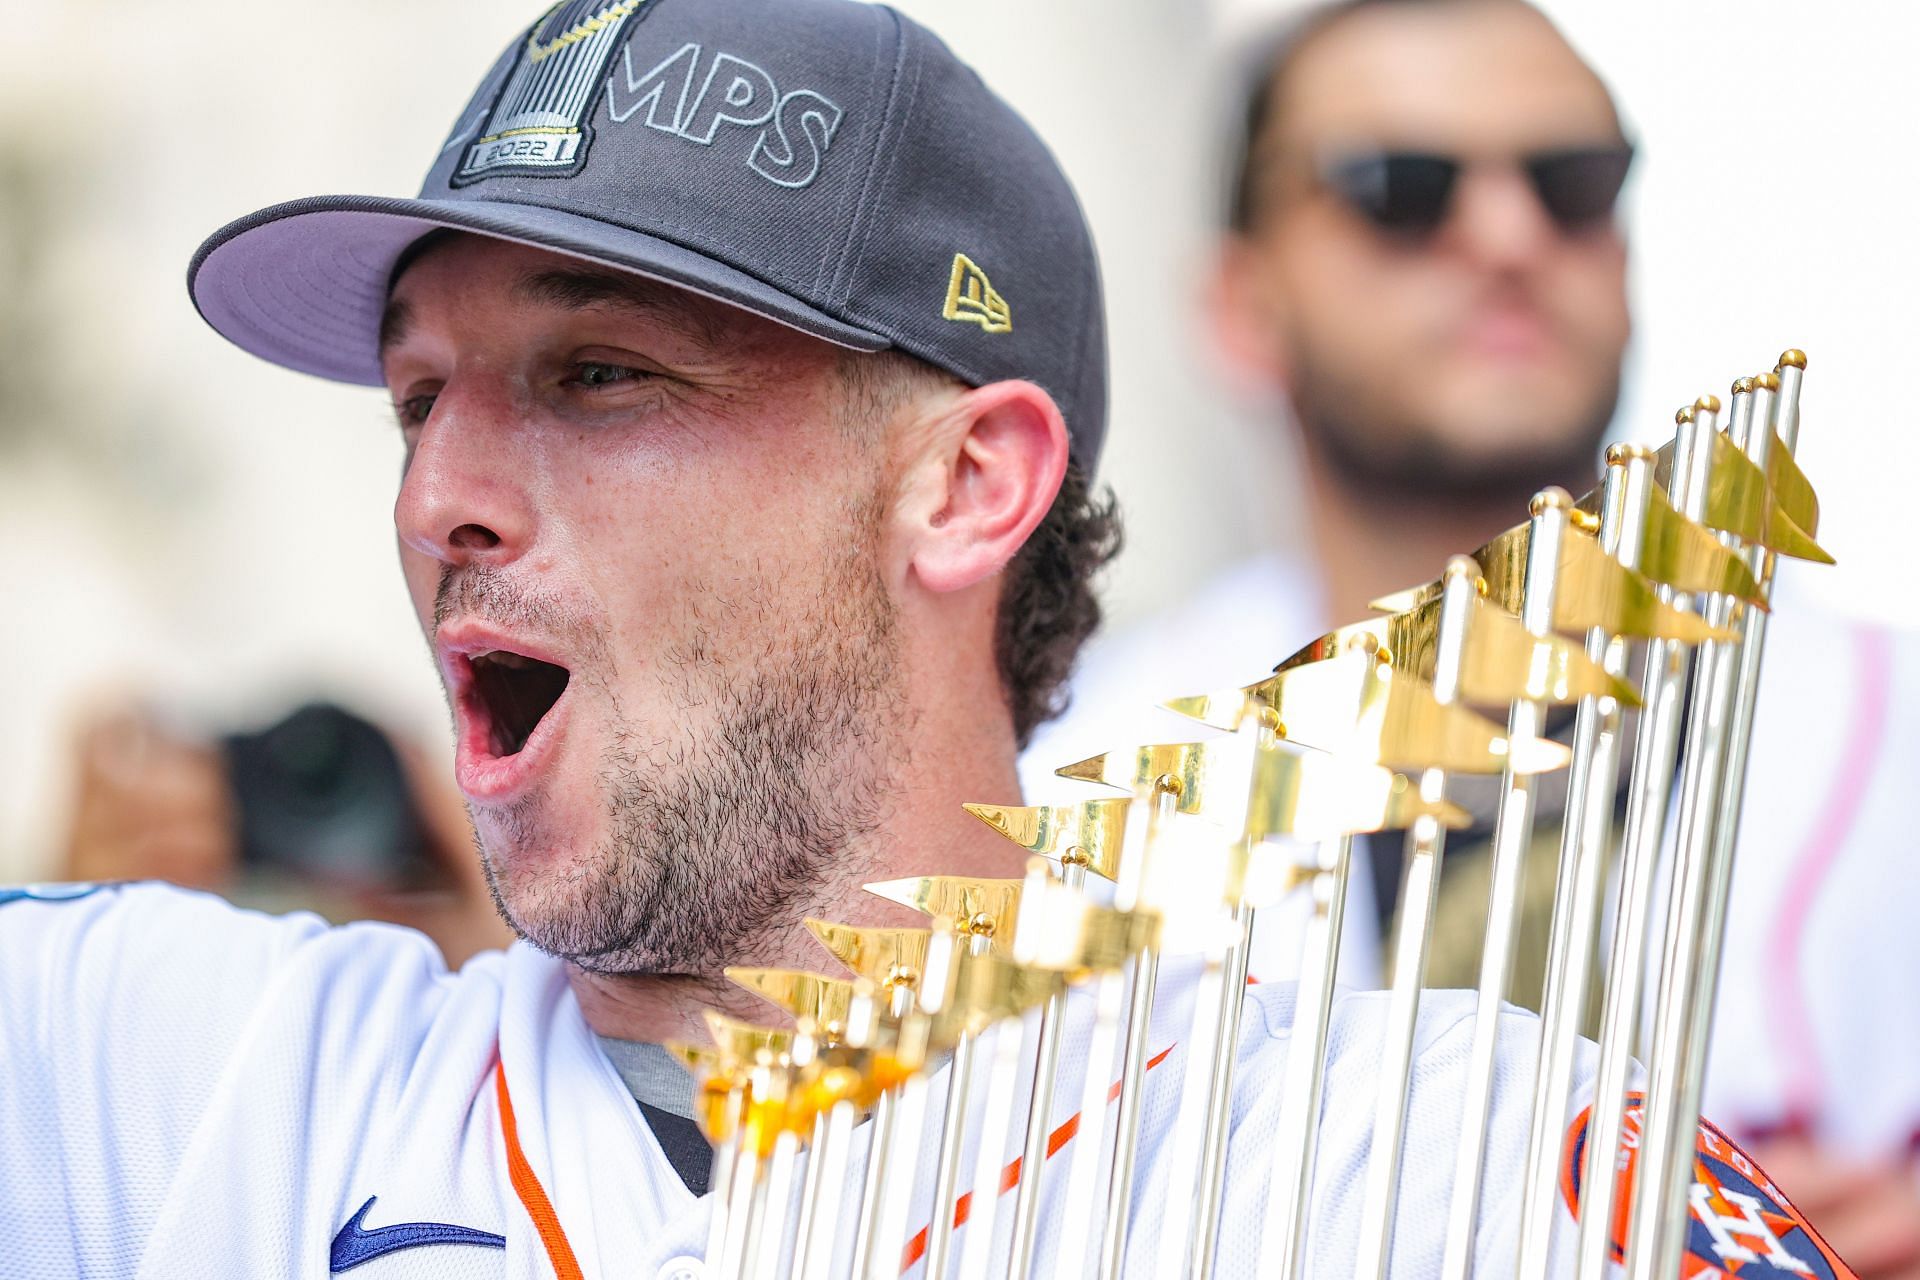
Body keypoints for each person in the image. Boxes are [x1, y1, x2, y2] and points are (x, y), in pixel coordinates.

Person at [0, 1, 1851, 1276]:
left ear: (968, 487)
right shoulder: (160, 1075)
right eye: (417, 402)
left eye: (600, 375)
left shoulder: (1435, 1166)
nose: (438, 500)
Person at [1025, 0, 1920, 1273]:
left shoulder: (1894, 721)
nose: (1506, 235)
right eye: (1401, 190)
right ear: (1242, 302)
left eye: (1571, 183)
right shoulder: (1062, 792)